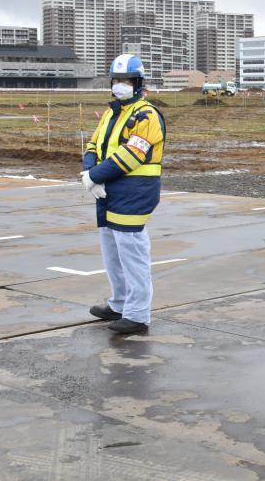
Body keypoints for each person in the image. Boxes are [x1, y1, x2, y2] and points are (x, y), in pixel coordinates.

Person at [80, 53, 166, 334]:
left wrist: (94, 176)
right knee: (111, 251)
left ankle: (138, 314)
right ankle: (119, 303)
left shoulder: (146, 115)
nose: (121, 85)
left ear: (139, 83)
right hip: (109, 189)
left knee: (132, 253)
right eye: (117, 80)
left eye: (127, 80)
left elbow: (133, 154)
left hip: (134, 190)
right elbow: (94, 143)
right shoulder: (111, 112)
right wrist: (89, 170)